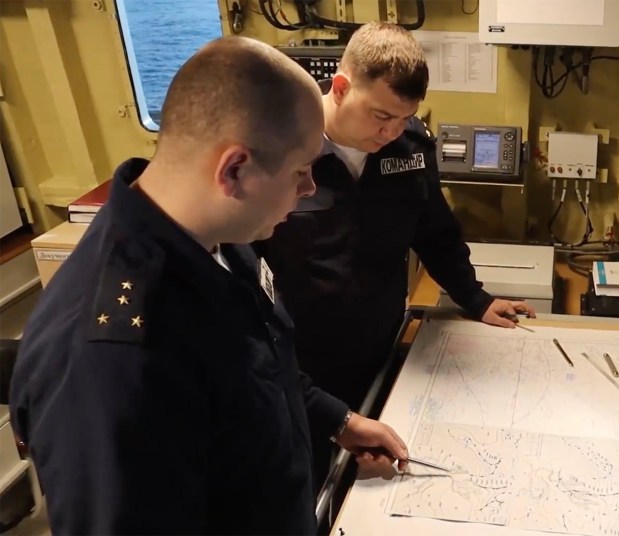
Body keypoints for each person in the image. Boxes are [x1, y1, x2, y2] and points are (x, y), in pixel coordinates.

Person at [9, 36, 408, 534]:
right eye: (300, 171)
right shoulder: (111, 360)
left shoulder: (219, 237)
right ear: (234, 169)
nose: (309, 189)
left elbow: (259, 365)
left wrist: (339, 421)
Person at [258, 22, 536, 417]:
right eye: (381, 115)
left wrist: (476, 299)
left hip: (380, 347)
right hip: (300, 362)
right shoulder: (278, 145)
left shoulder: (410, 149)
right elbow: (242, 264)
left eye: (405, 118)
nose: (391, 132)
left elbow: (436, 234)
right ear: (340, 88)